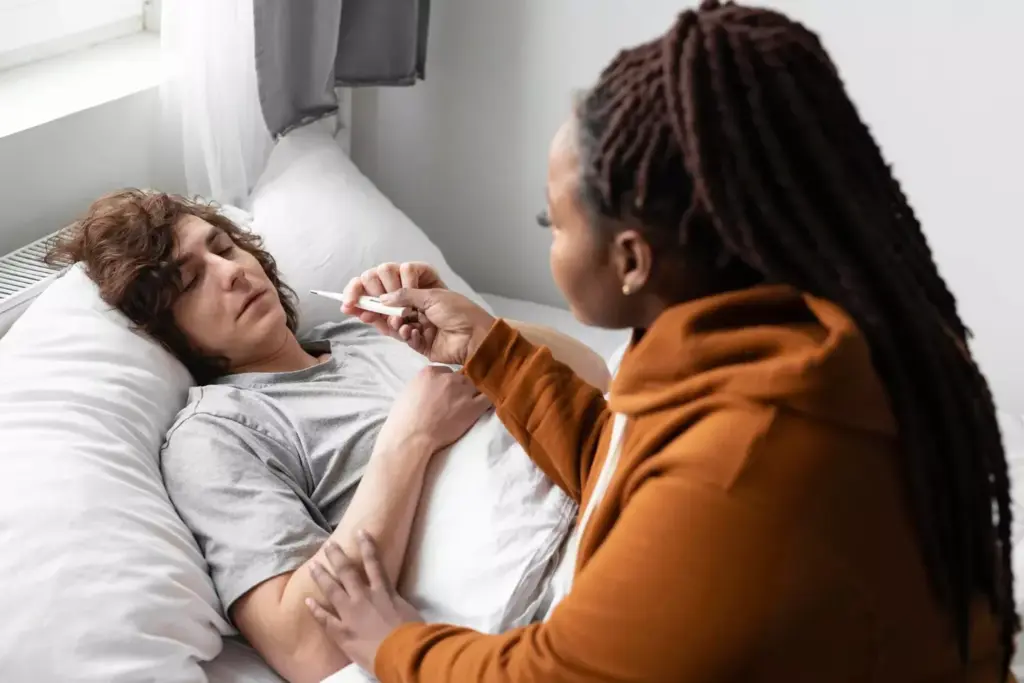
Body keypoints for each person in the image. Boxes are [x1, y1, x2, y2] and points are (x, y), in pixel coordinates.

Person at [304, 2, 1019, 681]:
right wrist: (485, 347)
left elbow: (553, 672)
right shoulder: (775, 337)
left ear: (633, 260)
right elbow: (624, 464)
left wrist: (392, 638)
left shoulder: (744, 464)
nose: (548, 239)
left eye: (549, 222)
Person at [48, 190, 610, 683]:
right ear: (169, 331)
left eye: (222, 248)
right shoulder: (216, 434)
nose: (232, 273)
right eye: (191, 282)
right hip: (562, 593)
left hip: (612, 488)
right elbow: (305, 646)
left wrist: (477, 334)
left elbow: (594, 376)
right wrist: (408, 440)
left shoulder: (366, 332)